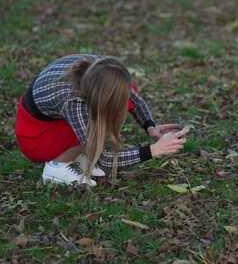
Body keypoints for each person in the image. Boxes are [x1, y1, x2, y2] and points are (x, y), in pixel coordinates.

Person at [14, 54, 189, 186]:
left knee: (118, 97)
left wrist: (150, 126)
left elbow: (132, 96)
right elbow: (104, 158)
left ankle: (79, 159)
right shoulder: (74, 102)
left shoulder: (101, 68)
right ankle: (56, 168)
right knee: (96, 130)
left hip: (55, 116)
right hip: (37, 136)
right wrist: (154, 150)